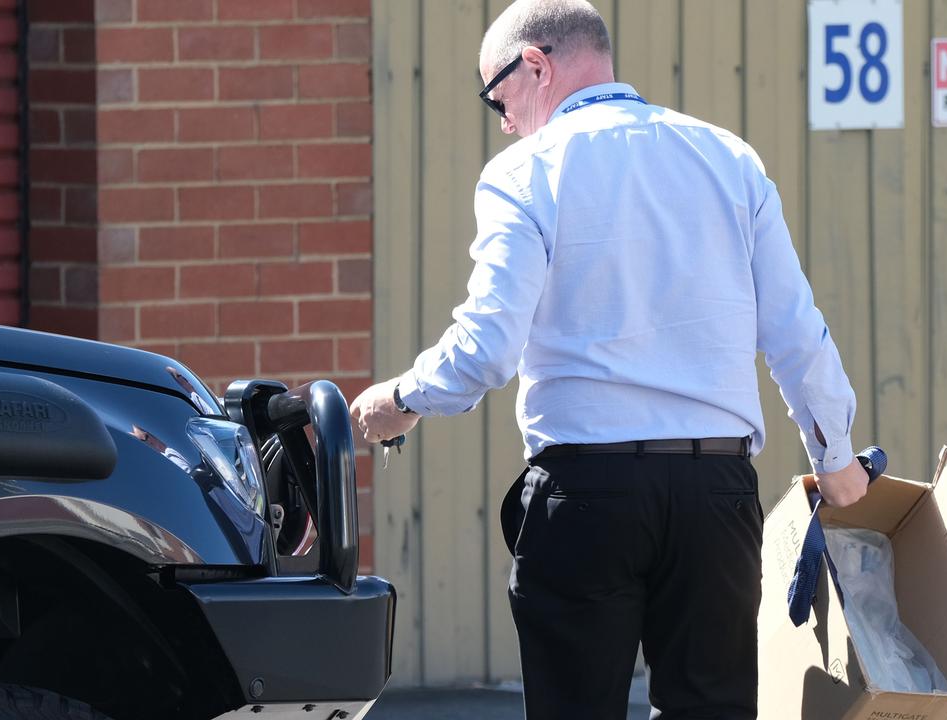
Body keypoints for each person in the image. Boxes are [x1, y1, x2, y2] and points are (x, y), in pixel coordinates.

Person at [349, 0, 870, 717]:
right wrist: (837, 459)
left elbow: (487, 346)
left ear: (536, 64)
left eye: (498, 98)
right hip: (715, 497)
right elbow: (795, 330)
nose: (502, 120)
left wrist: (399, 400)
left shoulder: (524, 171)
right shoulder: (728, 158)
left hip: (586, 495)